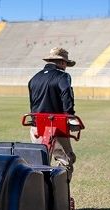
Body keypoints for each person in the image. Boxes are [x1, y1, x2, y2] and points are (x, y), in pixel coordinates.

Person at [28, 47, 77, 179]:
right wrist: (71, 117)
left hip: (36, 125)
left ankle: (38, 192)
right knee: (65, 160)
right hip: (56, 125)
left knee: (39, 162)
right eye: (66, 64)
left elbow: (33, 103)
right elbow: (67, 95)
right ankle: (57, 194)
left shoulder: (34, 78)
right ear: (62, 63)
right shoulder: (63, 76)